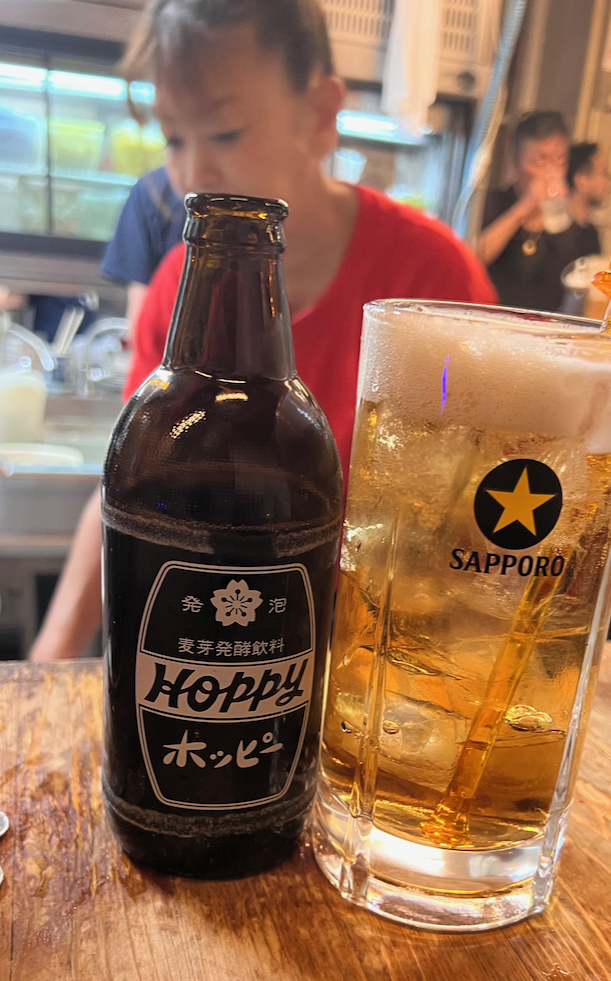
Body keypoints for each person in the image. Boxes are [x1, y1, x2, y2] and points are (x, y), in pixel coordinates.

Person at [30, 0, 495, 662]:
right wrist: (48, 657)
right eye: (174, 138)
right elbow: (128, 486)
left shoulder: (432, 276)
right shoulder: (178, 288)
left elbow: (473, 515)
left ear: (321, 115)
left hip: (370, 653)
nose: (192, 174)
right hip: (206, 643)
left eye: (224, 133)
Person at [477, 112, 602, 313]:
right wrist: (523, 209)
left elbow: (586, 290)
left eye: (559, 160)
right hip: (489, 322)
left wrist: (567, 214)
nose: (551, 171)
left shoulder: (579, 230)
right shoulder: (489, 204)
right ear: (513, 165)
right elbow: (471, 261)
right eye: (540, 161)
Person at [101, 165, 186, 332]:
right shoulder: (152, 189)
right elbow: (140, 309)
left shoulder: (154, 187)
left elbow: (140, 308)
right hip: (168, 338)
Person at [566, 142, 609, 245]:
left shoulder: (590, 234)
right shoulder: (556, 234)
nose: (608, 183)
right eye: (603, 173)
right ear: (582, 181)